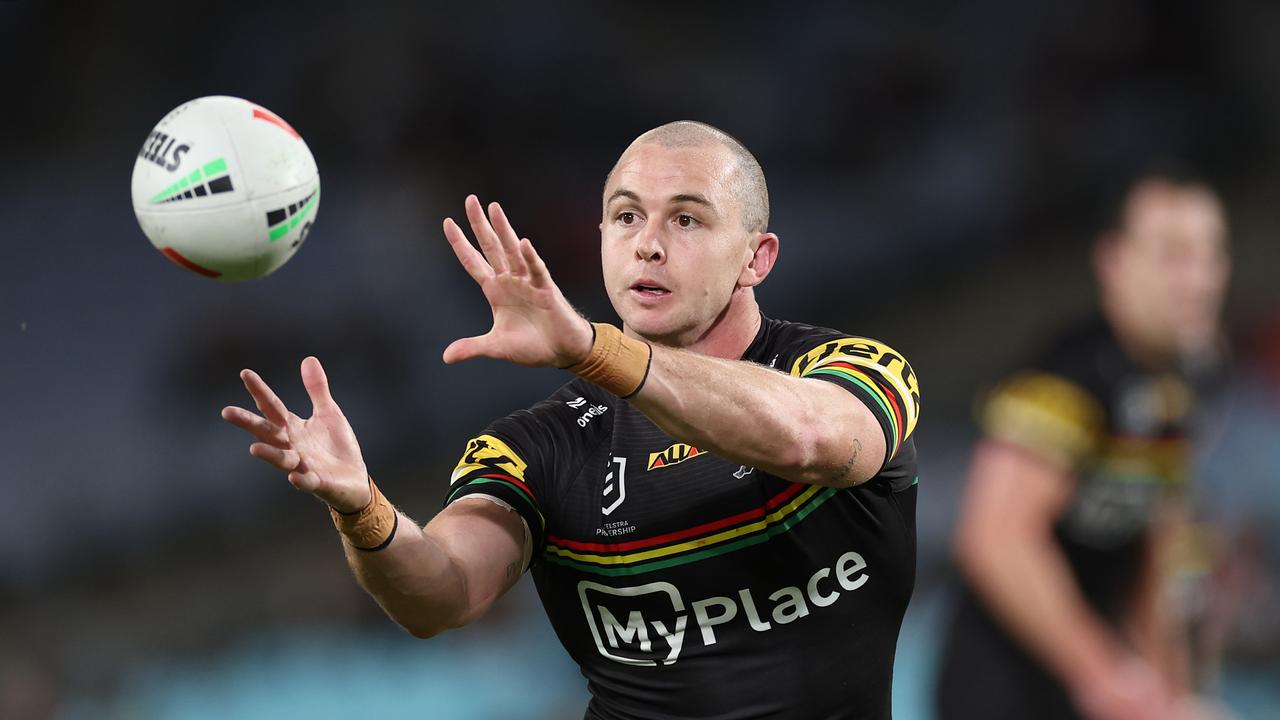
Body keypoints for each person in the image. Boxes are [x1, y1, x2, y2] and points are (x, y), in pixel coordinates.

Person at [222, 121, 922, 720]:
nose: (647, 243)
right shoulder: (538, 448)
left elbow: (814, 439)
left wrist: (593, 349)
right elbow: (441, 595)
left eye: (686, 218)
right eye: (625, 216)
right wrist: (362, 510)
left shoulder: (850, 369)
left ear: (756, 257)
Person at [934, 168, 1231, 720]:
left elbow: (1158, 541)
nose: (1200, 280)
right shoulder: (1067, 376)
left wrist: (1177, 691)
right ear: (1114, 262)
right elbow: (993, 538)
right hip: (1006, 689)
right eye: (1173, 254)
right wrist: (1109, 676)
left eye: (1211, 254)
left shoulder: (1192, 382)